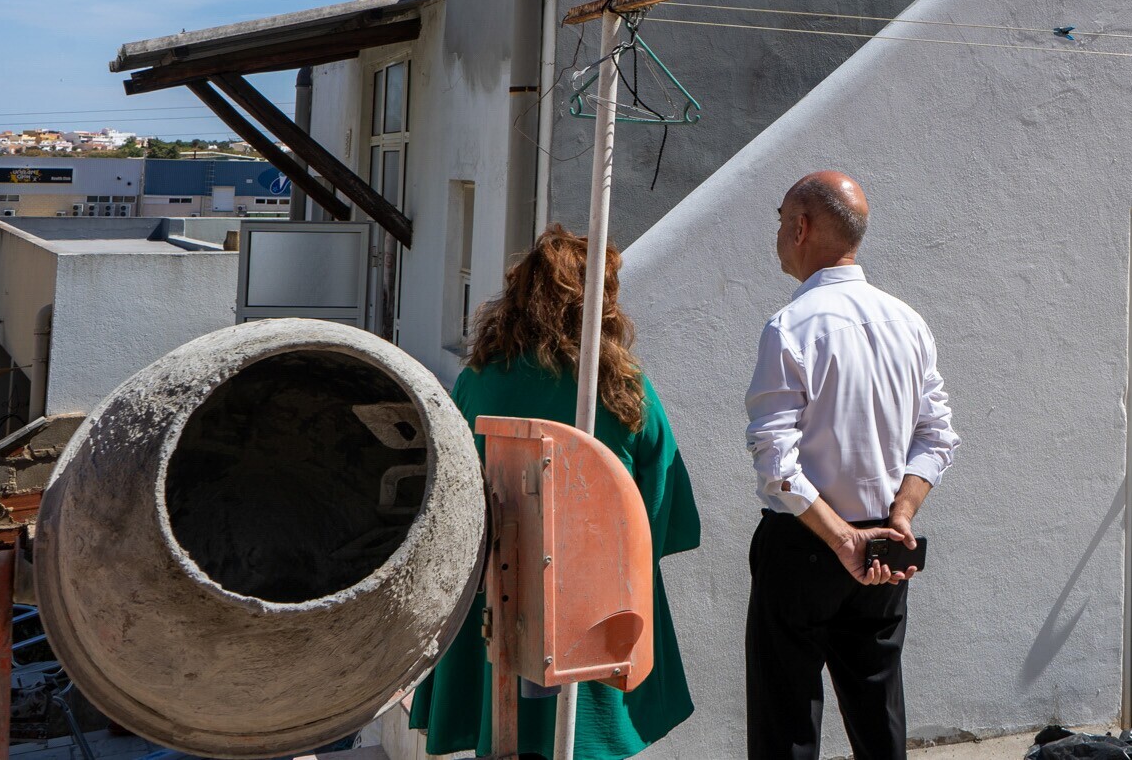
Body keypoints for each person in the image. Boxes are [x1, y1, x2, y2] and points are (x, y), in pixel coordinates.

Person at [410, 223, 701, 760]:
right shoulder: (623, 389)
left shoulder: (478, 380)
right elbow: (660, 505)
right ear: (598, 304)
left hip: (497, 597)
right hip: (593, 601)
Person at [744, 172, 958, 760]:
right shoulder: (908, 322)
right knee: (879, 719)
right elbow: (937, 437)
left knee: (785, 724)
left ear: (801, 227)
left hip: (805, 542)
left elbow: (774, 458)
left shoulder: (791, 326)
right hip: (886, 545)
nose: (778, 233)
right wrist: (902, 516)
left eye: (781, 219)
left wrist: (841, 539)